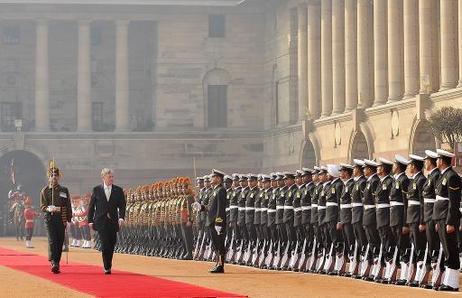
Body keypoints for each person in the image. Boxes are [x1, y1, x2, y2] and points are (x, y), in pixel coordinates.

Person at [88, 168, 126, 274]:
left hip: (113, 222)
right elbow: (91, 207)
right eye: (109, 177)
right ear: (103, 177)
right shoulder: (96, 190)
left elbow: (122, 206)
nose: (111, 178)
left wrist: (121, 218)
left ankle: (108, 263)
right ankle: (107, 266)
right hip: (101, 221)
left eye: (112, 176)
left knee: (112, 243)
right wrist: (90, 220)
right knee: (105, 244)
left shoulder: (118, 190)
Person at [40, 161, 72, 274]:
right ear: (48, 177)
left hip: (61, 217)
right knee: (52, 240)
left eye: (56, 175)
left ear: (58, 177)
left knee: (59, 241)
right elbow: (42, 206)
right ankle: (54, 262)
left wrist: (69, 218)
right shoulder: (45, 190)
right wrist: (48, 208)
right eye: (52, 175)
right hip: (50, 218)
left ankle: (57, 262)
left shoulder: (64, 190)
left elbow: (68, 204)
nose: (54, 177)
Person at [193, 169, 227, 273]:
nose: (211, 179)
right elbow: (211, 207)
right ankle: (217, 263)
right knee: (215, 244)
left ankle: (221, 266)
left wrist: (218, 222)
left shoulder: (221, 190)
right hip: (211, 221)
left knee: (219, 244)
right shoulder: (214, 191)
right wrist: (201, 207)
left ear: (218, 179)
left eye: (213, 177)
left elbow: (220, 208)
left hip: (216, 222)